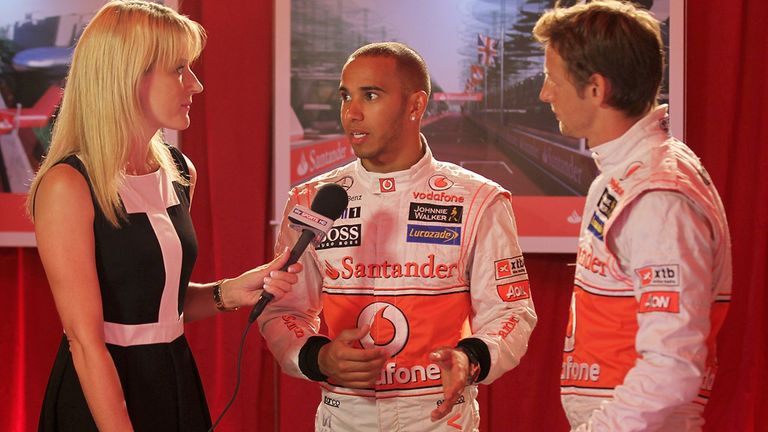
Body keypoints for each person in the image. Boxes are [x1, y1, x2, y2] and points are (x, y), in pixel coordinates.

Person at [28, 2, 302, 430]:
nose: (196, 84)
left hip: (173, 377)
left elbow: (156, 307)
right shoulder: (69, 184)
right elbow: (84, 341)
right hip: (101, 397)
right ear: (127, 76)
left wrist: (229, 291)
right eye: (179, 69)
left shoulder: (179, 170)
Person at [258, 42, 537, 431]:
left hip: (439, 419)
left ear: (415, 105)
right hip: (344, 417)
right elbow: (283, 311)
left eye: (370, 95)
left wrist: (470, 358)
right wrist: (319, 357)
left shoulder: (478, 199)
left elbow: (511, 313)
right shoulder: (311, 201)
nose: (351, 112)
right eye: (345, 96)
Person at [533, 1, 732, 431]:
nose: (545, 94)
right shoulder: (629, 173)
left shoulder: (658, 195)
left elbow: (672, 366)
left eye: (553, 79)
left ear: (596, 89)